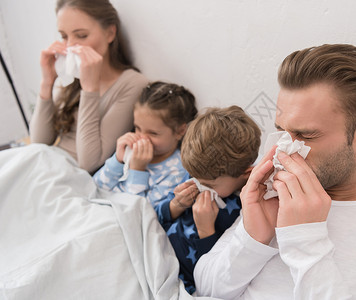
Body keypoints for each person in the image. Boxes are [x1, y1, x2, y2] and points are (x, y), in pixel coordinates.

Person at [193, 44, 356, 299]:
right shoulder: (275, 195)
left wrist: (305, 242)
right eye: (281, 130)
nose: (284, 150)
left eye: (305, 135)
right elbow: (206, 288)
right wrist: (253, 239)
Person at [30, 0, 148, 174]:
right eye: (64, 36)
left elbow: (89, 163)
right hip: (48, 164)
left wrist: (89, 89)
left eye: (81, 36)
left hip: (72, 175)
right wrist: (47, 82)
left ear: (110, 33)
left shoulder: (132, 84)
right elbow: (39, 141)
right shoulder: (73, 78)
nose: (70, 46)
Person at [157, 106, 261, 294]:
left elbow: (216, 271)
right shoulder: (200, 170)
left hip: (184, 278)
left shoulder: (247, 208)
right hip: (156, 248)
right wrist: (176, 205)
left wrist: (206, 231)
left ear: (247, 172)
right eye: (194, 178)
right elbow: (157, 218)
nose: (198, 186)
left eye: (209, 186)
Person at [93, 81, 197, 208]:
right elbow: (96, 186)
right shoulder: (130, 151)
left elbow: (139, 213)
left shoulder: (176, 171)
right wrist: (117, 160)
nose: (141, 138)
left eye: (153, 133)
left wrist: (137, 171)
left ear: (180, 131)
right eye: (137, 128)